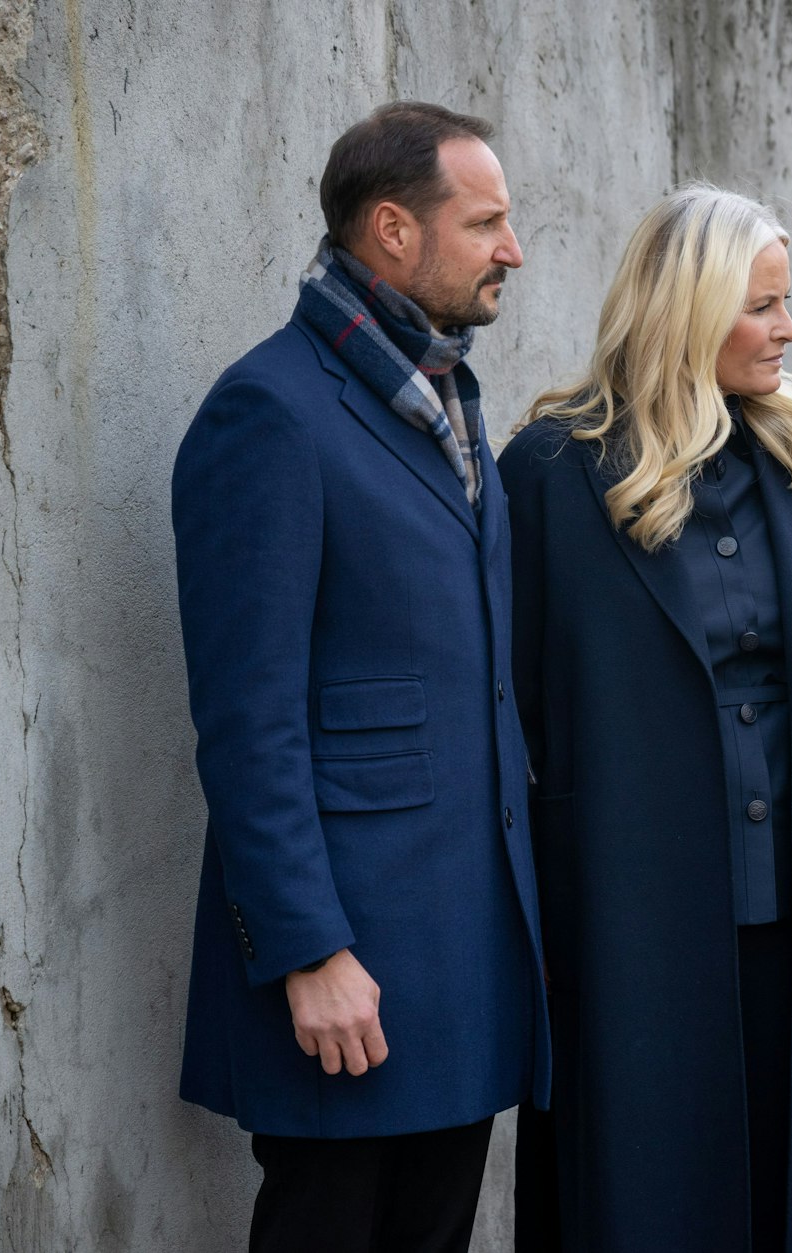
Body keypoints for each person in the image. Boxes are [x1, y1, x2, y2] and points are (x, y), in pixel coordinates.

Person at [498, 184, 792, 1251]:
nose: (787, 329)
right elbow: (517, 713)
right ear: (684, 312)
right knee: (651, 1186)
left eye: (787, 303)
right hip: (629, 913)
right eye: (761, 306)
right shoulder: (551, 473)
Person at [171, 101, 548, 1253]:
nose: (512, 248)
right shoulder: (269, 413)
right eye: (485, 222)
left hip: (462, 944)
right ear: (391, 229)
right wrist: (307, 950)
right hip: (350, 958)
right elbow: (248, 721)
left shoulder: (450, 400)